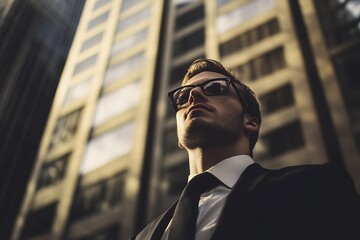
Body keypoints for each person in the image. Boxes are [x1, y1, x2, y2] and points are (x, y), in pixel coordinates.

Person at [132, 59, 360, 240]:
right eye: (183, 96)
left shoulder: (316, 188)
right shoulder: (142, 237)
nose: (193, 95)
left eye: (215, 88)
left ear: (251, 121)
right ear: (179, 139)